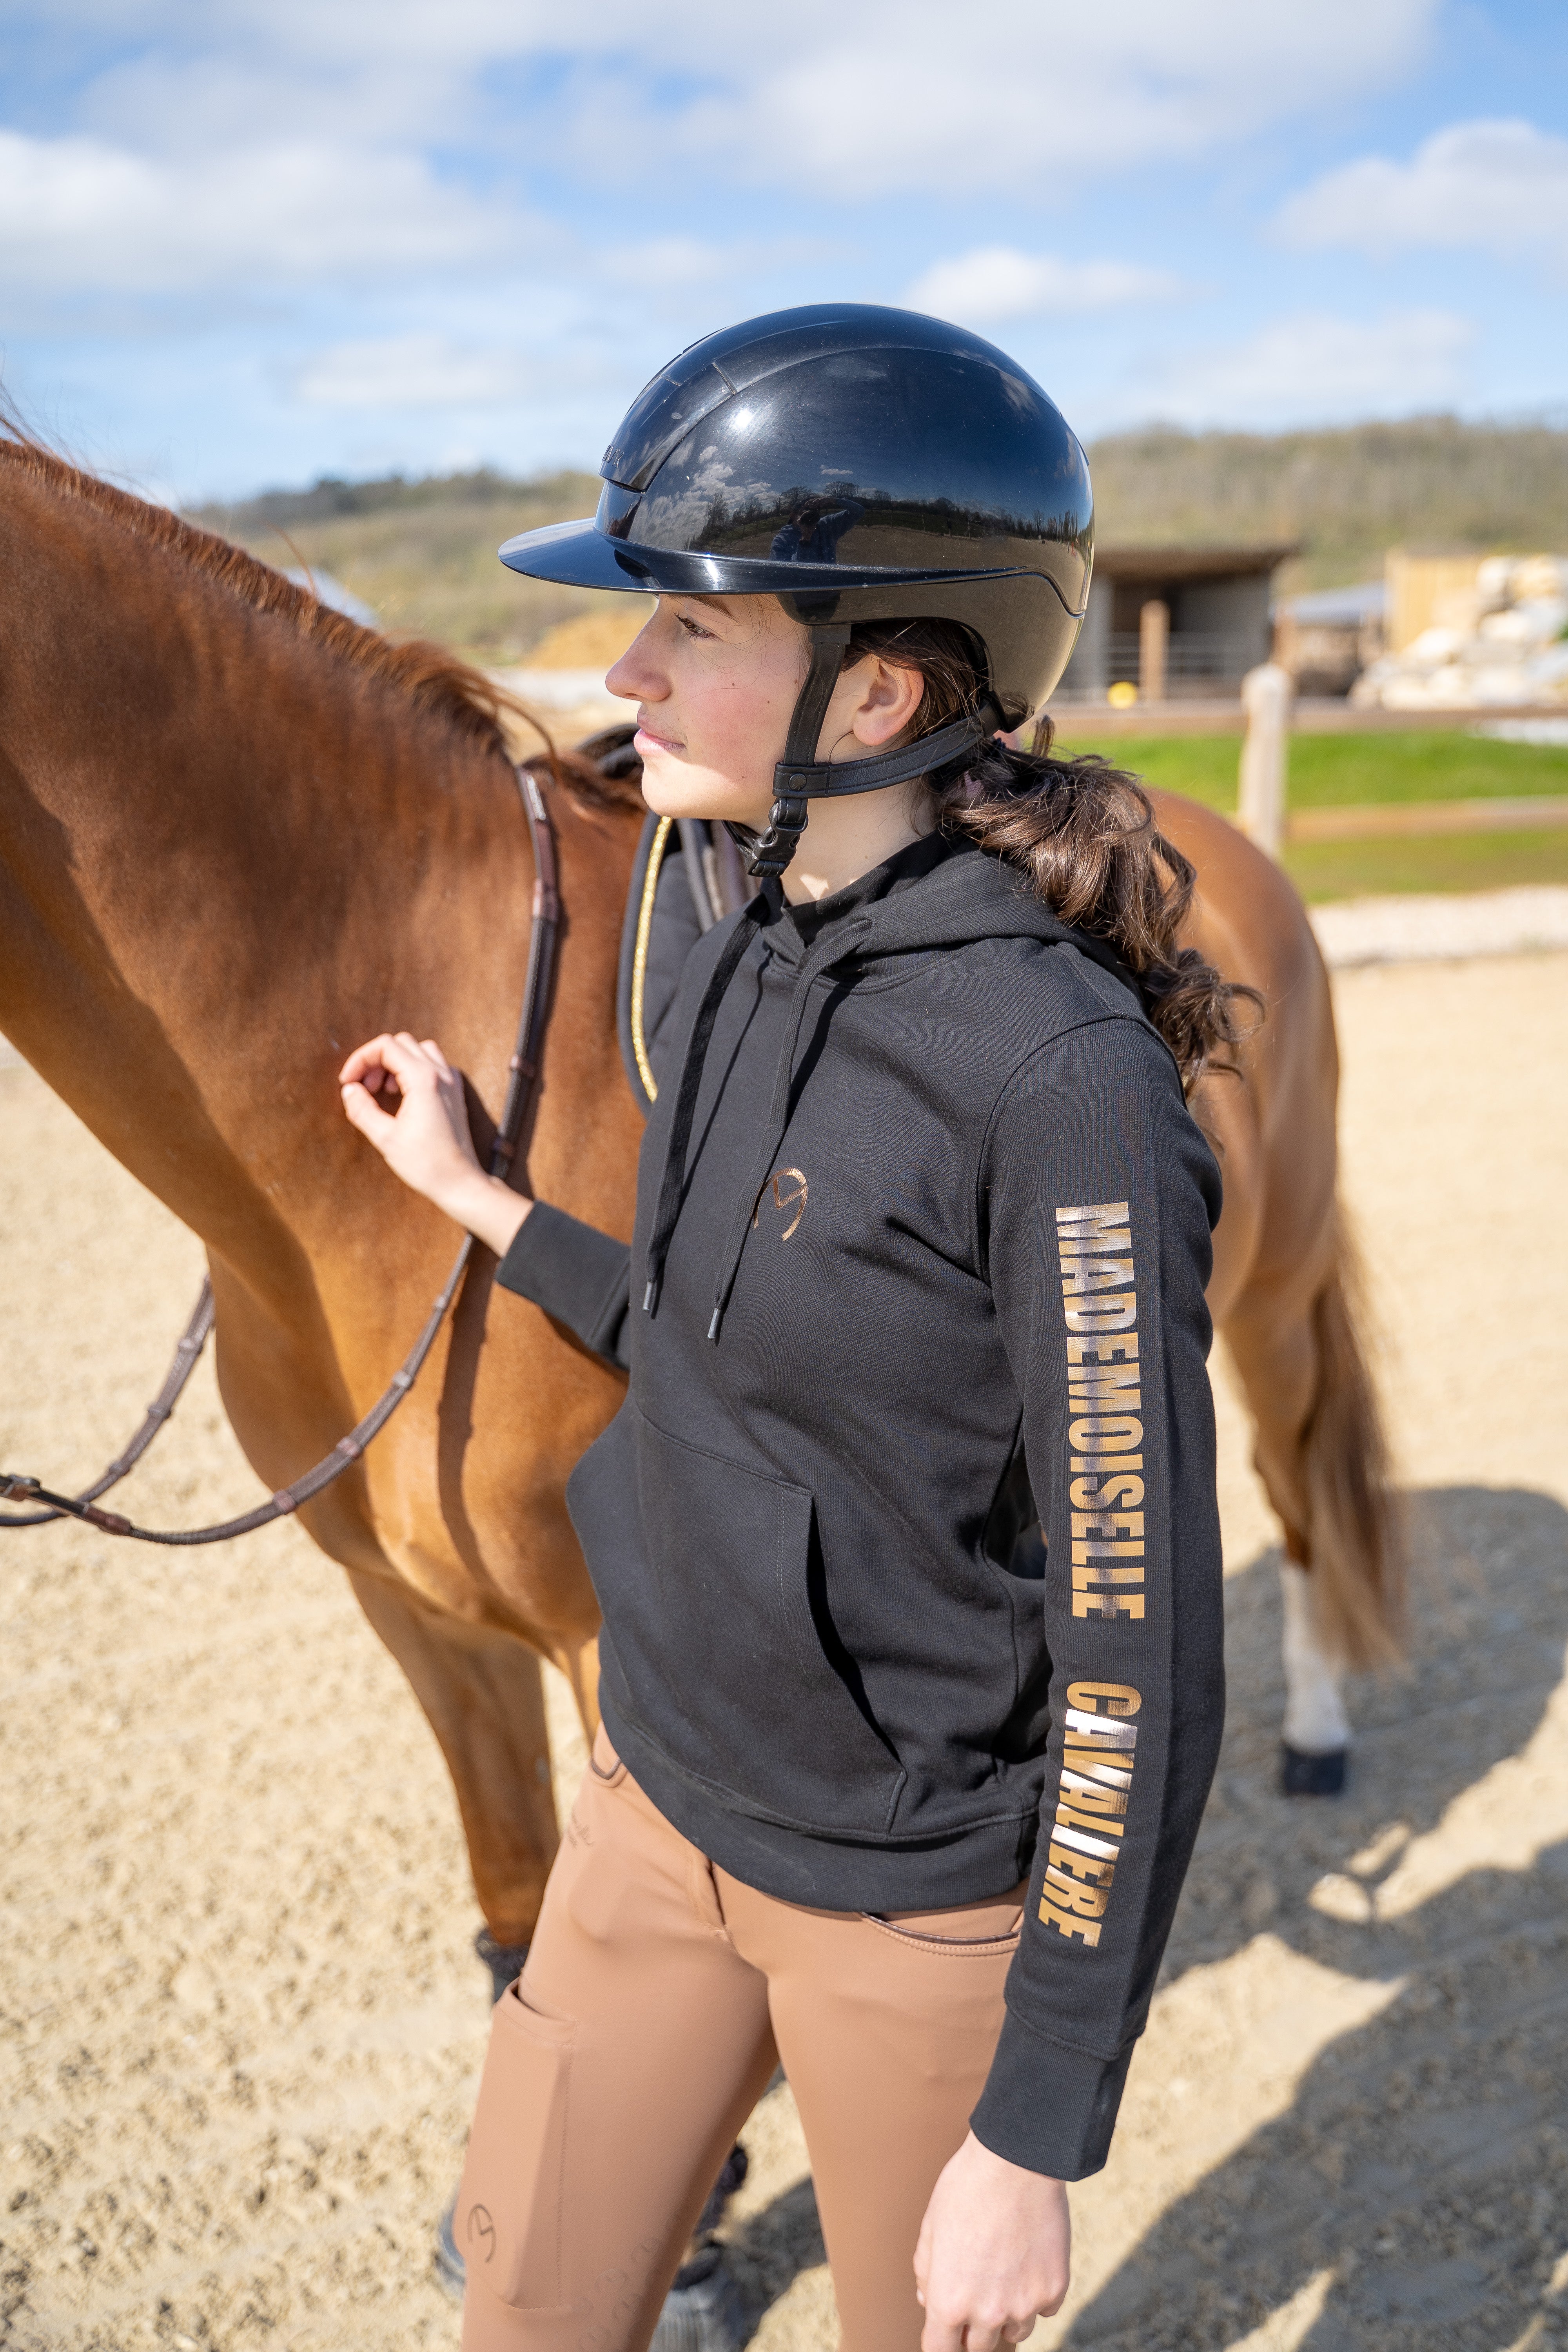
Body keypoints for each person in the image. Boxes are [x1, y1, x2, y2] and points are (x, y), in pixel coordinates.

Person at [339, 306, 1238, 2352]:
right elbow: (711, 1343)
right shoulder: (731, 930)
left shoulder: (1063, 1085)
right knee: (523, 2316)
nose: (619, 675)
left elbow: (1142, 1636)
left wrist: (1042, 2125)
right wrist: (490, 1206)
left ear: (882, 687)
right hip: (651, 1818)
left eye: (690, 628)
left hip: (911, 1912)